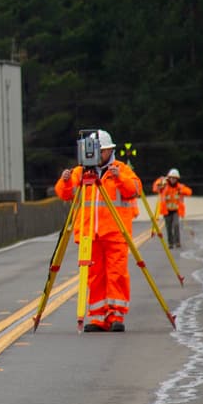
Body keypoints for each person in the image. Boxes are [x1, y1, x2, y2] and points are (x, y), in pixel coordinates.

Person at [54, 129, 142, 332]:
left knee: (116, 274)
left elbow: (135, 190)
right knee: (94, 276)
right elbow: (64, 193)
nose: (97, 155)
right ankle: (97, 316)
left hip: (115, 233)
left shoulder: (120, 169)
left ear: (109, 151)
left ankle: (116, 315)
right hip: (89, 235)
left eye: (101, 151)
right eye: (94, 151)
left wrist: (120, 178)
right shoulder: (81, 172)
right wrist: (65, 180)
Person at [151, 168, 192, 248]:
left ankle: (177, 242)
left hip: (176, 210)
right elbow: (155, 188)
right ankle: (170, 243)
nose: (173, 180)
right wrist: (161, 181)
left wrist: (182, 191)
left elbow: (189, 192)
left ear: (177, 179)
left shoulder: (180, 187)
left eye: (174, 178)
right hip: (166, 210)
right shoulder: (164, 186)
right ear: (168, 178)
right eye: (171, 178)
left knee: (176, 225)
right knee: (168, 227)